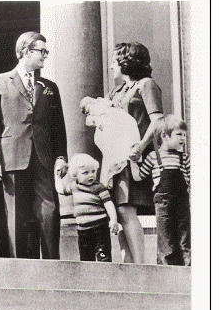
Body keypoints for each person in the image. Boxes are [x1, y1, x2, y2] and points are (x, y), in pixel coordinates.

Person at [0, 31, 68, 259]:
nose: (45, 56)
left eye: (46, 51)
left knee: (49, 210)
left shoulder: (49, 86)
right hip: (12, 157)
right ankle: (18, 267)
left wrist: (61, 156)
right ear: (25, 52)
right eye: (41, 51)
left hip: (44, 157)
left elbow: (58, 126)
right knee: (15, 214)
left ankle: (53, 263)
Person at [107, 42, 163, 264]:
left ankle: (139, 266)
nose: (111, 66)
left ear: (126, 62)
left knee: (127, 209)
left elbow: (158, 120)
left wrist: (140, 145)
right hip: (117, 159)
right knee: (121, 211)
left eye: (114, 61)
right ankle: (128, 264)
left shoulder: (146, 85)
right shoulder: (116, 91)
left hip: (137, 159)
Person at [130, 115, 190, 266]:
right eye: (179, 135)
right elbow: (138, 177)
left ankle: (188, 267)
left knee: (184, 234)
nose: (183, 138)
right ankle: (166, 269)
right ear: (164, 135)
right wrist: (133, 161)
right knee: (165, 236)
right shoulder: (153, 157)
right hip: (163, 203)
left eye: (184, 135)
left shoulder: (184, 157)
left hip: (182, 202)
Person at [57, 153, 119, 262]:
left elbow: (108, 203)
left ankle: (105, 277)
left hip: (100, 228)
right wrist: (57, 177)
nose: (91, 175)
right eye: (85, 173)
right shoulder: (74, 187)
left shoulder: (99, 187)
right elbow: (60, 190)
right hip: (83, 230)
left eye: (93, 171)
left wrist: (113, 219)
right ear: (75, 174)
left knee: (103, 256)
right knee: (85, 258)